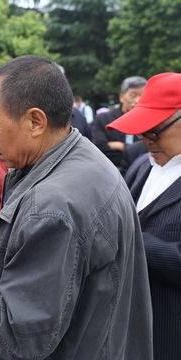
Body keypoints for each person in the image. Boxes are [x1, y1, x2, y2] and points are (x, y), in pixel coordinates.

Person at [0, 56, 153, 359]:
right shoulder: (77, 156)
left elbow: (15, 334)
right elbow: (24, 258)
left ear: (35, 121)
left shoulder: (53, 205)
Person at [107, 72, 181, 360]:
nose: (146, 140)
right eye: (141, 132)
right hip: (127, 330)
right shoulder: (143, 164)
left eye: (154, 131)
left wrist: (133, 241)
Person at [93, 76, 147, 171]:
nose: (137, 100)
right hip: (111, 171)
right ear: (121, 97)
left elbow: (148, 149)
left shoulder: (149, 121)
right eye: (133, 95)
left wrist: (120, 146)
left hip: (141, 170)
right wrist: (132, 148)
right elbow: (99, 148)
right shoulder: (104, 119)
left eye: (142, 95)